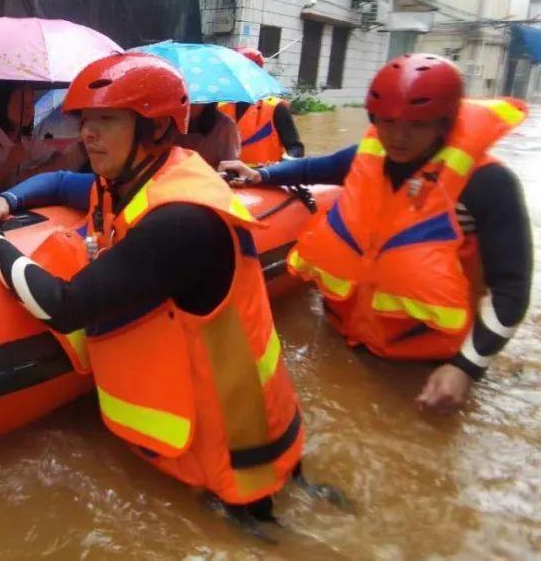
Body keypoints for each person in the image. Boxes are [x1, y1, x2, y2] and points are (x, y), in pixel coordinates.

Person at [0, 54, 307, 526]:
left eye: (106, 120)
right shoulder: (138, 178)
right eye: (85, 120)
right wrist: (9, 200)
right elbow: (64, 182)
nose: (87, 133)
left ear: (154, 129)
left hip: (239, 457)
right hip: (234, 424)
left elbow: (65, 306)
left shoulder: (180, 221)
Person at [221, 54, 532, 415]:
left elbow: (512, 291)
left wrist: (466, 368)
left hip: (426, 362)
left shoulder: (487, 184)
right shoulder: (370, 155)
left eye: (416, 125)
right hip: (344, 336)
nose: (398, 136)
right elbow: (315, 168)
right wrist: (260, 174)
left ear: (444, 123)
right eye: (386, 121)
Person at [0, 82, 84, 197]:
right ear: (2, 105)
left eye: (31, 103)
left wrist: (31, 175)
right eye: (21, 104)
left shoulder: (28, 140)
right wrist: (8, 165)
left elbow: (56, 157)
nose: (29, 109)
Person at [220, 48, 304, 165]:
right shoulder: (219, 108)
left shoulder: (276, 108)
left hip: (266, 179)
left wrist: (282, 163)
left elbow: (296, 149)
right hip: (227, 180)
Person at [174, 102, 241, 167]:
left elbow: (230, 166)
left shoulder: (225, 126)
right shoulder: (169, 123)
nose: (189, 104)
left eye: (196, 100)